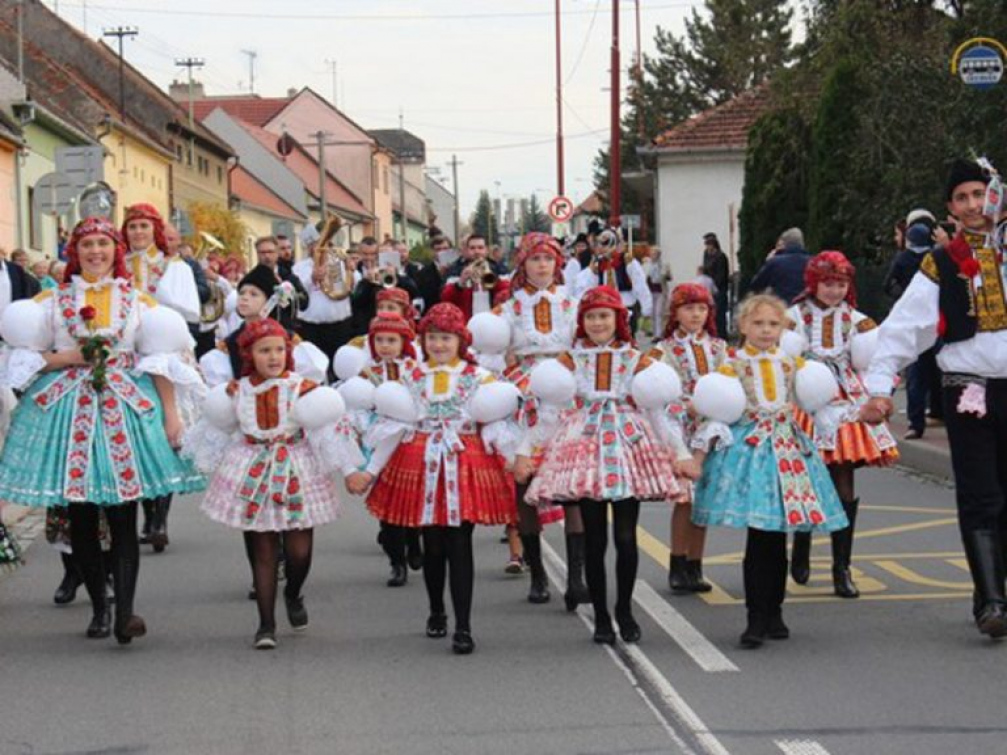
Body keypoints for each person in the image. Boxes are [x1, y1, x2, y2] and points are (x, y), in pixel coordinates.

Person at [0, 216, 205, 643]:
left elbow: (158, 359)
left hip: (126, 410)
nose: (96, 252)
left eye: (104, 244)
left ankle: (125, 613)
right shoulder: (51, 300)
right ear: (76, 251)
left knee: (123, 513)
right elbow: (26, 356)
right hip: (68, 411)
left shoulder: (141, 301)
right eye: (88, 244)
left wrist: (171, 414)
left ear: (116, 251)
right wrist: (68, 357)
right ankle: (99, 605)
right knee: (81, 515)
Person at [862, 157, 1007, 639]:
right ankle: (991, 601)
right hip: (968, 387)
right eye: (961, 198)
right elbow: (904, 329)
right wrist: (880, 388)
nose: (972, 205)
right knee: (981, 496)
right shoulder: (940, 263)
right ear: (950, 209)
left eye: (978, 194)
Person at [525, 286, 696, 644]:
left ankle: (625, 610)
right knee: (595, 539)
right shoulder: (569, 360)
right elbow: (552, 412)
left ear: (618, 320)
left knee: (625, 537)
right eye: (591, 316)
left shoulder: (637, 359)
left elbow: (657, 412)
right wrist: (527, 450)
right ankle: (602, 615)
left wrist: (680, 453)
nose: (598, 323)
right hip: (585, 446)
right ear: (581, 322)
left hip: (627, 445)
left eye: (604, 316)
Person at [346, 303, 518, 655]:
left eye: (446, 338)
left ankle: (464, 626)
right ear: (423, 340)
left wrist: (516, 459)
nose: (439, 345)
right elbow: (396, 427)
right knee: (433, 544)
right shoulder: (410, 376)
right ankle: (437, 608)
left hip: (465, 460)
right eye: (433, 338)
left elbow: (495, 423)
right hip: (420, 461)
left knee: (460, 542)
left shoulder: (480, 377)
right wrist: (369, 471)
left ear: (460, 340)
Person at [186, 318, 358, 649]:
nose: (274, 357)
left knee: (299, 552)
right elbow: (216, 430)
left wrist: (350, 470)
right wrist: (197, 456)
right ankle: (265, 624)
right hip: (251, 468)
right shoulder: (236, 391)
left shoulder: (303, 388)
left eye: (280, 349)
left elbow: (326, 431)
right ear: (249, 354)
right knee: (262, 550)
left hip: (296, 467)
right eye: (265, 350)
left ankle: (293, 593)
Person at [690, 293, 847, 648]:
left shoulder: (794, 365)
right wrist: (697, 460)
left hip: (788, 451)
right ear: (743, 325)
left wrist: (850, 418)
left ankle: (774, 611)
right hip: (750, 452)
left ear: (783, 328)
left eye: (773, 324)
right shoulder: (731, 365)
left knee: (778, 537)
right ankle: (755, 617)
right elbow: (716, 415)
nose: (765, 330)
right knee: (759, 536)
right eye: (757, 323)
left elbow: (820, 407)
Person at [480, 232, 588, 608]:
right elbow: (490, 353)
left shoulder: (574, 304)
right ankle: (538, 574)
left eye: (548, 259)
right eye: (534, 259)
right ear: (522, 264)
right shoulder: (507, 309)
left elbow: (586, 344)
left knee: (572, 484)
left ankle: (577, 578)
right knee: (523, 479)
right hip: (523, 389)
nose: (542, 265)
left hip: (564, 384)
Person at [787, 252, 899, 598]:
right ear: (813, 282)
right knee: (804, 476)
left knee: (843, 477)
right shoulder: (795, 317)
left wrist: (876, 396)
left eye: (840, 284)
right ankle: (802, 543)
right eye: (828, 283)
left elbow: (868, 361)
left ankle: (841, 567)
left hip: (843, 399)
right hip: (802, 397)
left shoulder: (858, 321)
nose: (834, 291)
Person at [123, 208, 202, 554]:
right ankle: (144, 511)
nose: (138, 232)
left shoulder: (174, 267)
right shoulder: (117, 264)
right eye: (133, 226)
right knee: (138, 431)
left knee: (167, 429)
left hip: (163, 353)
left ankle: (159, 518)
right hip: (128, 353)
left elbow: (186, 315)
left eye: (144, 226)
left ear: (155, 230)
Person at [647, 283, 729, 595]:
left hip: (712, 430)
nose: (696, 314)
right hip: (680, 430)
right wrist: (684, 405)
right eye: (688, 308)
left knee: (703, 499)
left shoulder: (720, 348)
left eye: (702, 308)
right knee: (685, 499)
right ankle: (678, 563)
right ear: (675, 312)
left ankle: (696, 564)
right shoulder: (662, 350)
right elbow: (653, 391)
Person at [338, 312, 424, 587]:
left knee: (411, 499)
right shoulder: (367, 372)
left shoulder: (416, 370)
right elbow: (357, 403)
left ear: (404, 342)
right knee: (388, 505)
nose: (385, 346)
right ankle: (396, 562)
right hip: (379, 442)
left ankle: (414, 542)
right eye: (380, 340)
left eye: (391, 340)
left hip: (410, 441)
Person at [884, 210, 942, 439]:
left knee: (915, 374)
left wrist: (903, 295)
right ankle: (942, 412)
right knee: (941, 370)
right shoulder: (937, 258)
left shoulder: (903, 259)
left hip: (912, 322)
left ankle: (915, 423)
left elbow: (888, 285)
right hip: (936, 320)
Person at [291, 220, 356, 370]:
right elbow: (296, 295)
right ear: (309, 246)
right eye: (317, 243)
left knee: (340, 368)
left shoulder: (339, 262)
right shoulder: (299, 268)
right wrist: (311, 279)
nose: (321, 247)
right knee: (314, 367)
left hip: (340, 325)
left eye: (325, 242)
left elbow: (352, 289)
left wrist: (351, 271)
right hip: (310, 327)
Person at [573, 228, 652, 335]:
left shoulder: (626, 260)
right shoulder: (598, 264)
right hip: (606, 307)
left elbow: (639, 283)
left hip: (626, 305)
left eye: (605, 243)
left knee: (627, 339)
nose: (601, 247)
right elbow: (588, 285)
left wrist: (646, 307)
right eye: (600, 244)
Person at [351, 237, 420, 335]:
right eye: (366, 254)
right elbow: (356, 301)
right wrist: (367, 282)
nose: (370, 258)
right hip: (370, 327)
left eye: (373, 254)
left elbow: (414, 292)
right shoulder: (365, 275)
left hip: (397, 325)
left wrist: (397, 277)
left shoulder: (400, 273)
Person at [441, 235, 511, 319]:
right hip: (467, 322)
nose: (476, 251)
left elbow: (508, 294)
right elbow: (445, 298)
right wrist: (461, 282)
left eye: (480, 248)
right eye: (472, 248)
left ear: (486, 250)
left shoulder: (499, 268)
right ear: (467, 250)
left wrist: (493, 278)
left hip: (493, 320)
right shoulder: (455, 270)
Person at [748, 227, 811, 304]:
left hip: (782, 308)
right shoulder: (812, 262)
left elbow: (756, 285)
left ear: (784, 244)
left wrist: (767, 262)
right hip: (805, 308)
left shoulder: (775, 262)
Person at [257, 235, 307, 327]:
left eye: (289, 248)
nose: (287, 252)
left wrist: (288, 294)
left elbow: (304, 302)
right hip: (264, 327)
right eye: (282, 249)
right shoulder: (255, 276)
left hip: (287, 329)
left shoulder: (290, 276)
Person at [0, 246, 41, 320]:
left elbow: (26, 296)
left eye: (25, 260)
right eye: (20, 260)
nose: (23, 263)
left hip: (12, 319)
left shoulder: (16, 271)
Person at [701, 233, 730, 336]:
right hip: (709, 287)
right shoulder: (706, 254)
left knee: (719, 313)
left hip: (719, 288)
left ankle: (722, 334)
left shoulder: (721, 256)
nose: (708, 247)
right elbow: (705, 269)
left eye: (709, 244)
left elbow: (721, 275)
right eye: (706, 244)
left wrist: (714, 286)